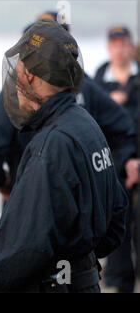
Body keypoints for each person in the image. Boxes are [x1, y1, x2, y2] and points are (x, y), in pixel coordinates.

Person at [0, 20, 129, 293]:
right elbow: (116, 217)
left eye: (18, 68)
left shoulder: (51, 145)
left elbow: (23, 250)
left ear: (29, 74)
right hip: (85, 282)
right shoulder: (87, 125)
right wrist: (81, 261)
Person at [94, 26, 139, 292]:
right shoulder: (96, 86)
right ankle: (119, 283)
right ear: (109, 48)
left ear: (131, 47)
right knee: (116, 232)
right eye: (115, 44)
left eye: (124, 44)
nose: (120, 49)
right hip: (111, 170)